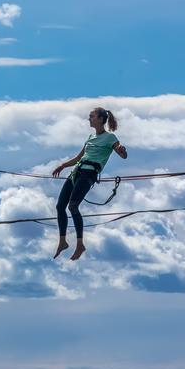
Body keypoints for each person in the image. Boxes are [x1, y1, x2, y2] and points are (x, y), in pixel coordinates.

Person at [51, 107, 128, 261]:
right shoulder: (90, 137)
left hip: (89, 174)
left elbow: (122, 155)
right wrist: (62, 165)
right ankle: (63, 241)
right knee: (60, 206)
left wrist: (122, 151)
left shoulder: (110, 137)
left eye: (91, 116)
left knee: (72, 206)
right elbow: (79, 157)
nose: (89, 119)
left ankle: (80, 244)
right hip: (76, 172)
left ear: (100, 119)